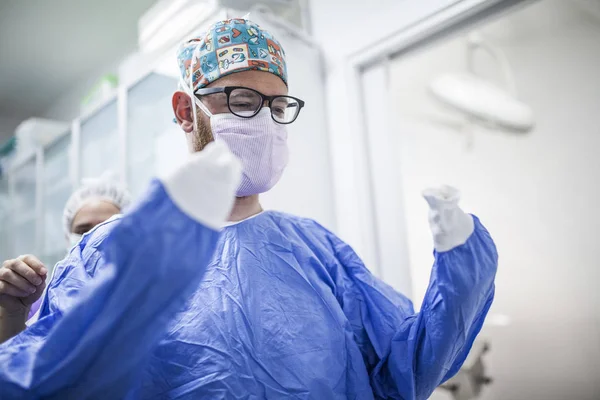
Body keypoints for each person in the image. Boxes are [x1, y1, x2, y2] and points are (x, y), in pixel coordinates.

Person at [0, 19, 498, 400]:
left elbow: (402, 370)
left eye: (277, 106)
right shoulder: (110, 250)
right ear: (184, 110)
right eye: (239, 99)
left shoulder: (317, 250)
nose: (261, 120)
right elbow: (45, 376)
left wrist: (461, 270)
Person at [0, 172, 131, 342]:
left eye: (108, 229)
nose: (95, 238)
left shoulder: (153, 297)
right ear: (68, 238)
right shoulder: (34, 303)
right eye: (84, 231)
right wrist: (13, 314)